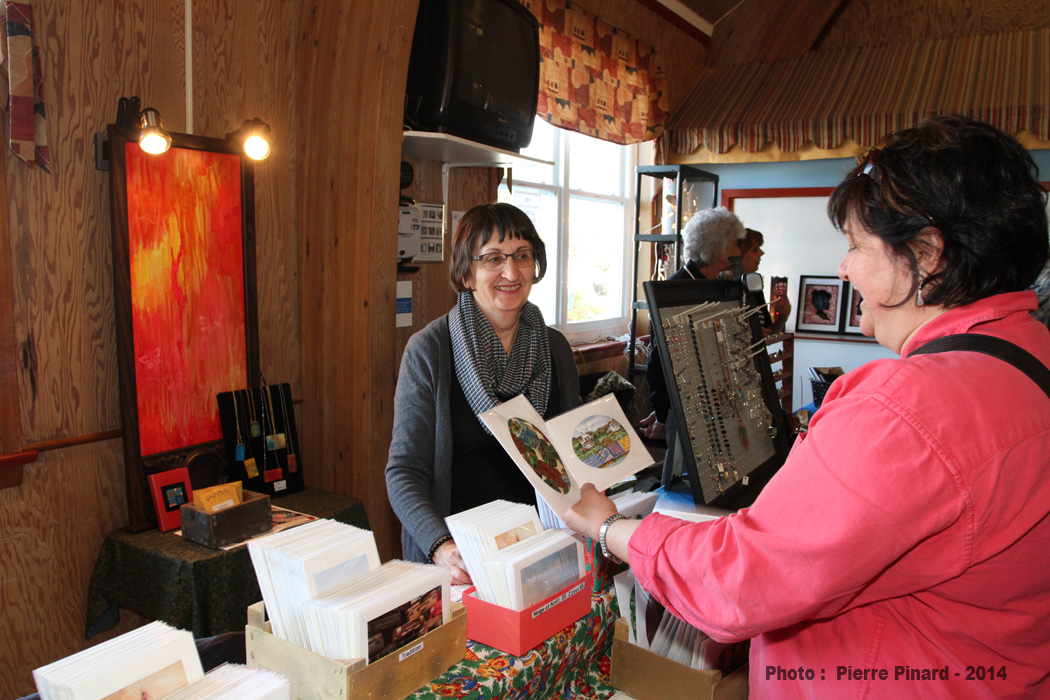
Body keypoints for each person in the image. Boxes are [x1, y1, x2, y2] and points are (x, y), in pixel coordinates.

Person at [564, 115, 1050, 698]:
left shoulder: (907, 410)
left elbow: (736, 584)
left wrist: (613, 528)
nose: (844, 267)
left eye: (855, 246)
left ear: (928, 256)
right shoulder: (1029, 357)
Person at [386, 202, 581, 584]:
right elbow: (404, 472)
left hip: (542, 548)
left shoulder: (555, 347)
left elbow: (570, 455)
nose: (511, 272)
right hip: (463, 560)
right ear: (466, 273)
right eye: (493, 258)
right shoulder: (429, 351)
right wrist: (441, 546)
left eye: (522, 256)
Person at [640, 207, 744, 443]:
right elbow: (659, 362)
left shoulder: (713, 285)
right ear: (718, 247)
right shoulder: (676, 290)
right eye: (735, 244)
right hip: (683, 408)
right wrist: (664, 415)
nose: (739, 251)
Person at [738, 227, 790, 334]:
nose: (761, 253)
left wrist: (783, 317)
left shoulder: (754, 283)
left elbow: (769, 332)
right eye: (754, 250)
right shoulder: (723, 287)